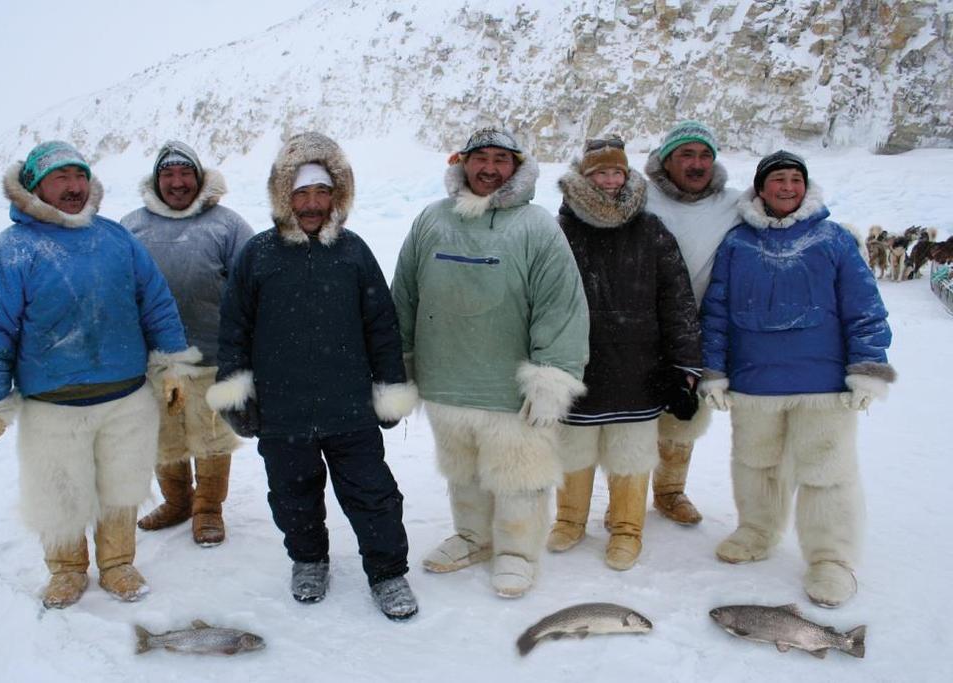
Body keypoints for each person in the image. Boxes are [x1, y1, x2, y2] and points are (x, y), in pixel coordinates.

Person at [0, 141, 198, 609]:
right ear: (33, 186)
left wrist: (172, 364)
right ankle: (66, 570)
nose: (74, 187)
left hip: (125, 394)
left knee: (120, 484)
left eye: (80, 176)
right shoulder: (10, 252)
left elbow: (156, 303)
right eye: (60, 178)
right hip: (53, 403)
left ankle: (117, 564)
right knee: (60, 490)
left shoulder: (116, 240)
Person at [206, 132, 420, 620]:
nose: (312, 204)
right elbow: (234, 329)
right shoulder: (257, 255)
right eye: (301, 193)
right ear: (284, 196)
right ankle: (308, 560)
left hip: (350, 407)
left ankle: (388, 573)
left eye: (322, 192)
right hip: (283, 410)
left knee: (374, 495)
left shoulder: (354, 252)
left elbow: (381, 325)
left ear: (337, 195)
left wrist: (388, 388)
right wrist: (237, 392)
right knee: (293, 496)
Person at [391, 127, 589, 598]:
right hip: (445, 379)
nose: (490, 169)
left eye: (502, 159)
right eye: (481, 158)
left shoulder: (537, 226)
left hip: (508, 388)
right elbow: (403, 296)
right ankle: (473, 537)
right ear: (463, 163)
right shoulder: (431, 221)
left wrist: (552, 377)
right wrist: (398, 364)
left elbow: (560, 307)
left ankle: (518, 553)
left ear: (517, 167)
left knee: (519, 477)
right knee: (462, 471)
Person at [699, 150, 894, 607]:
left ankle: (831, 558)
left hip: (822, 385)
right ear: (760, 189)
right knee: (755, 463)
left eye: (795, 180)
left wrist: (867, 368)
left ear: (806, 187)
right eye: (778, 180)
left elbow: (864, 308)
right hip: (754, 382)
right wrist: (714, 370)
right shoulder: (737, 244)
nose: (788, 188)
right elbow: (717, 313)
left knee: (827, 473)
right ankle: (757, 532)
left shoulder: (833, 239)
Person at [546, 136, 701, 570]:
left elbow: (678, 300)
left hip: (640, 365)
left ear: (627, 175)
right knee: (573, 449)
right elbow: (537, 300)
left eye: (616, 172)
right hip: (577, 363)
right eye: (600, 173)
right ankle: (570, 520)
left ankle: (627, 529)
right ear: (584, 178)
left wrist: (684, 367)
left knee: (631, 454)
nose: (610, 180)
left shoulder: (651, 230)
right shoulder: (560, 231)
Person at [122, 141, 254, 547]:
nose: (177, 183)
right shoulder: (131, 227)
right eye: (168, 175)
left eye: (185, 174)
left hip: (213, 356)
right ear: (156, 180)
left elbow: (252, 287)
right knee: (164, 436)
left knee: (211, 436)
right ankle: (177, 501)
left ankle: (208, 509)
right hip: (156, 361)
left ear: (199, 178)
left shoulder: (227, 226)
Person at [637, 120, 743, 525]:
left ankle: (669, 491)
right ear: (666, 160)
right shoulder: (642, 197)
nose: (696, 164)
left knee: (683, 415)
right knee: (633, 416)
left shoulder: (732, 204)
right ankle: (624, 499)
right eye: (686, 154)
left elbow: (783, 208)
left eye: (704, 155)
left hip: (696, 328)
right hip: (641, 326)